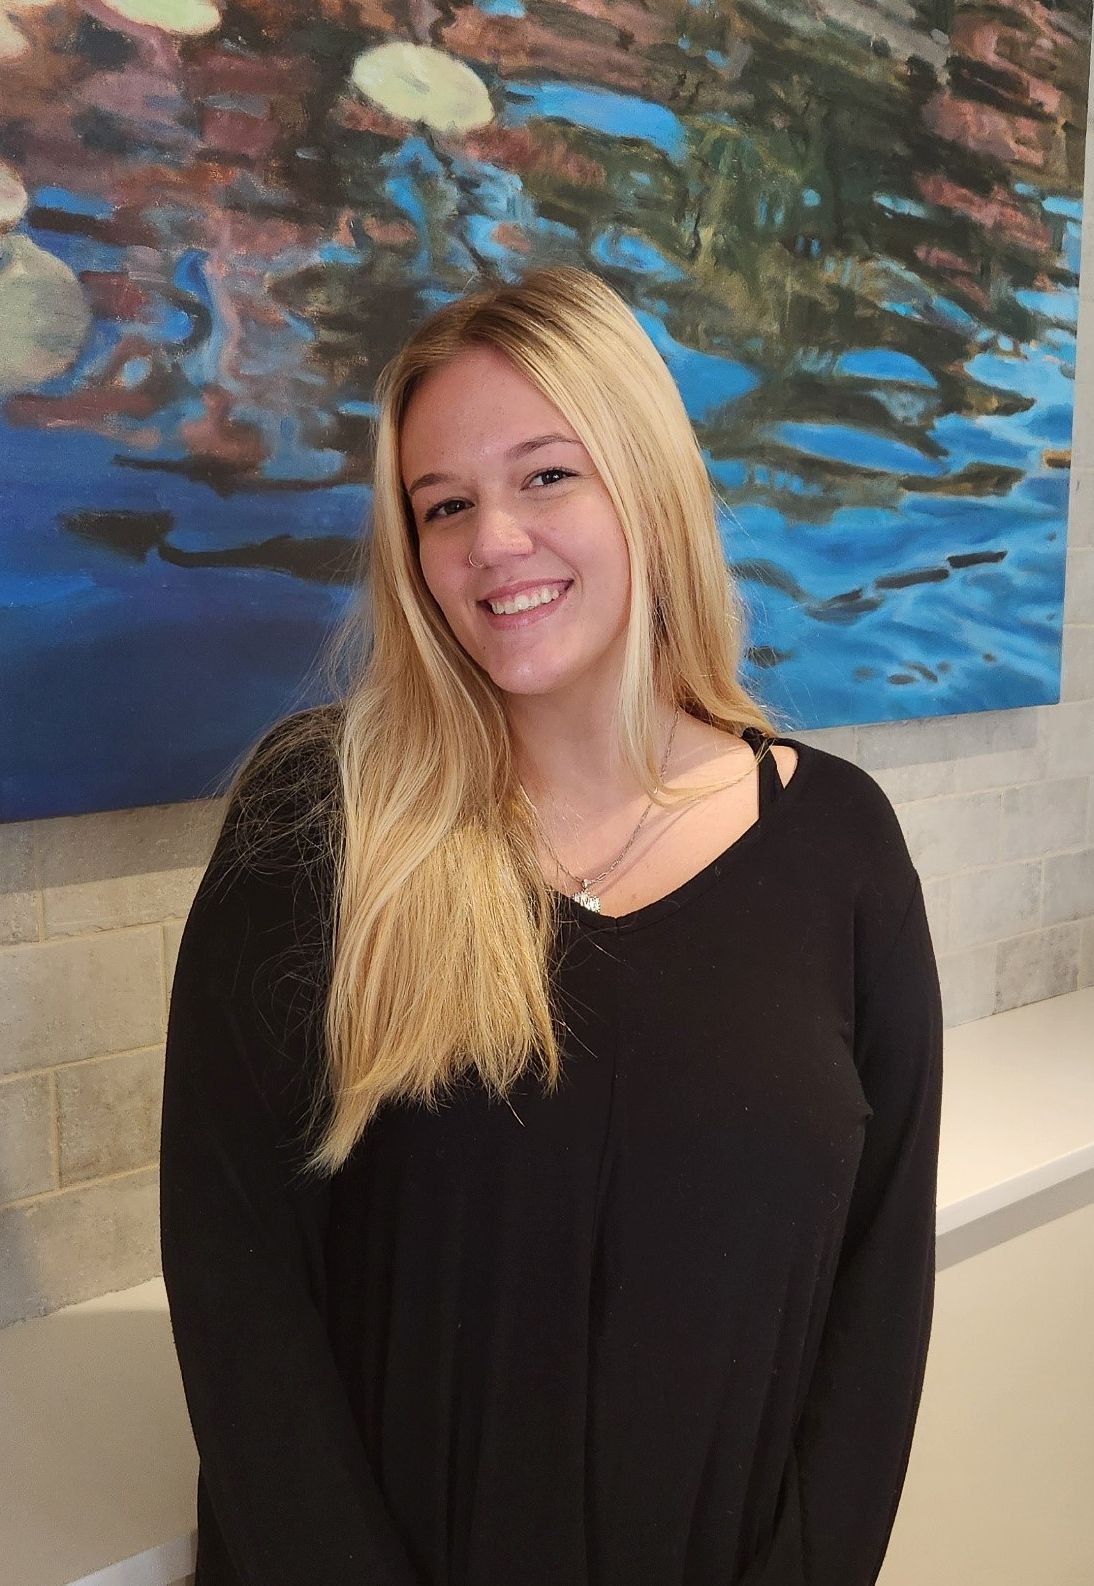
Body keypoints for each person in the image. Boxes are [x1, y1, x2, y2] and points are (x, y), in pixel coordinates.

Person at [160, 263, 943, 1586]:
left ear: (644, 481)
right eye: (442, 505)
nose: (491, 544)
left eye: (544, 477)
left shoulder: (841, 845)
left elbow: (876, 1304)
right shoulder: (322, 822)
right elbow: (240, 1296)